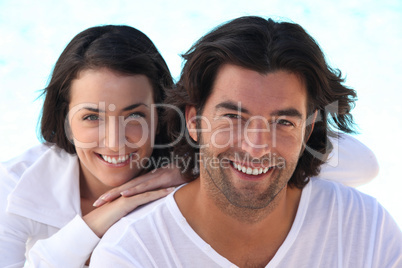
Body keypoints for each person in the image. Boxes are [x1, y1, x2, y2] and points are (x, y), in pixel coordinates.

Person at [90, 16, 401, 267]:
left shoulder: (366, 228)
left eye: (283, 122)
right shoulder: (132, 253)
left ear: (307, 132)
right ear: (195, 122)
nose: (256, 146)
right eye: (233, 118)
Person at [0, 25, 186, 267]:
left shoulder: (187, 179)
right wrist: (94, 224)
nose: (114, 142)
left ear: (160, 115)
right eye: (92, 117)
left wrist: (194, 174)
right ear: (65, 118)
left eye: (134, 116)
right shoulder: (12, 185)